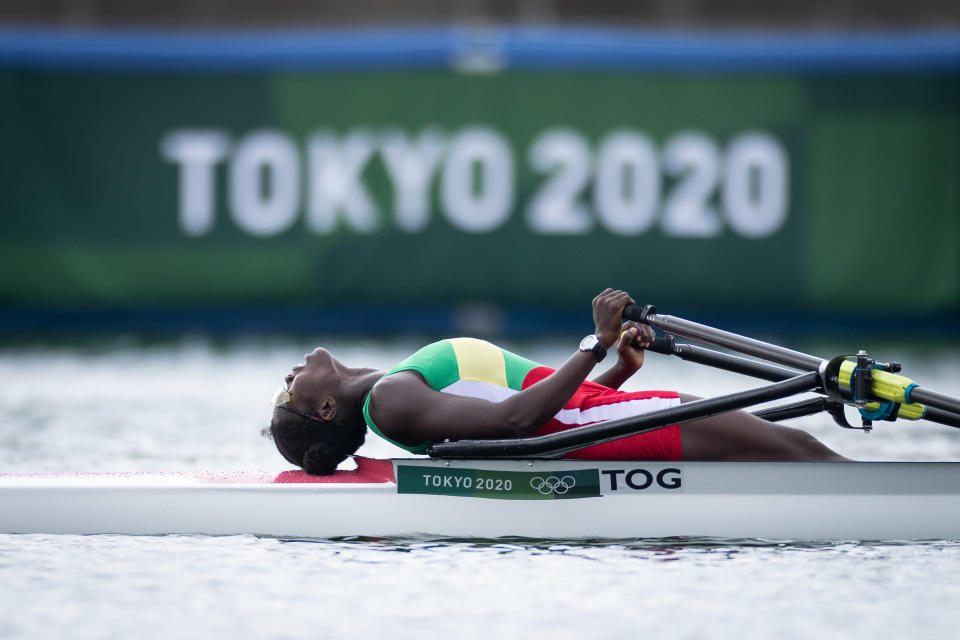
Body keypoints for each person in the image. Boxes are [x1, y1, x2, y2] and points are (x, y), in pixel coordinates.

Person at [266, 289, 848, 474]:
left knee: (794, 451)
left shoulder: (394, 387)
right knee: (798, 452)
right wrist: (593, 343)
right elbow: (515, 423)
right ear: (322, 411)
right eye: (286, 392)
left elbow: (536, 412)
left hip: (597, 417)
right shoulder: (390, 401)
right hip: (601, 429)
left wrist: (617, 366)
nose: (287, 377)